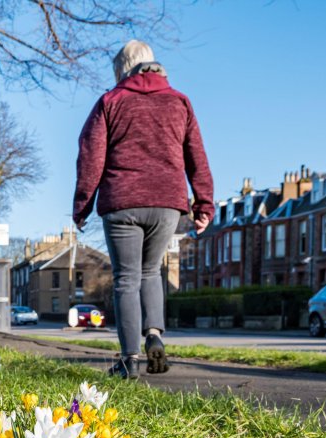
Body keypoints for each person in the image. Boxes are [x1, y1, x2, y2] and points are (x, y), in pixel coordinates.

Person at [73, 40, 213, 379]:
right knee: (150, 273)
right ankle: (155, 336)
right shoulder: (180, 102)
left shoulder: (111, 101)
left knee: (126, 278)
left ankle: (129, 360)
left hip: (122, 202)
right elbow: (197, 156)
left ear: (122, 70)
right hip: (167, 203)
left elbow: (91, 157)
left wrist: (82, 204)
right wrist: (204, 203)